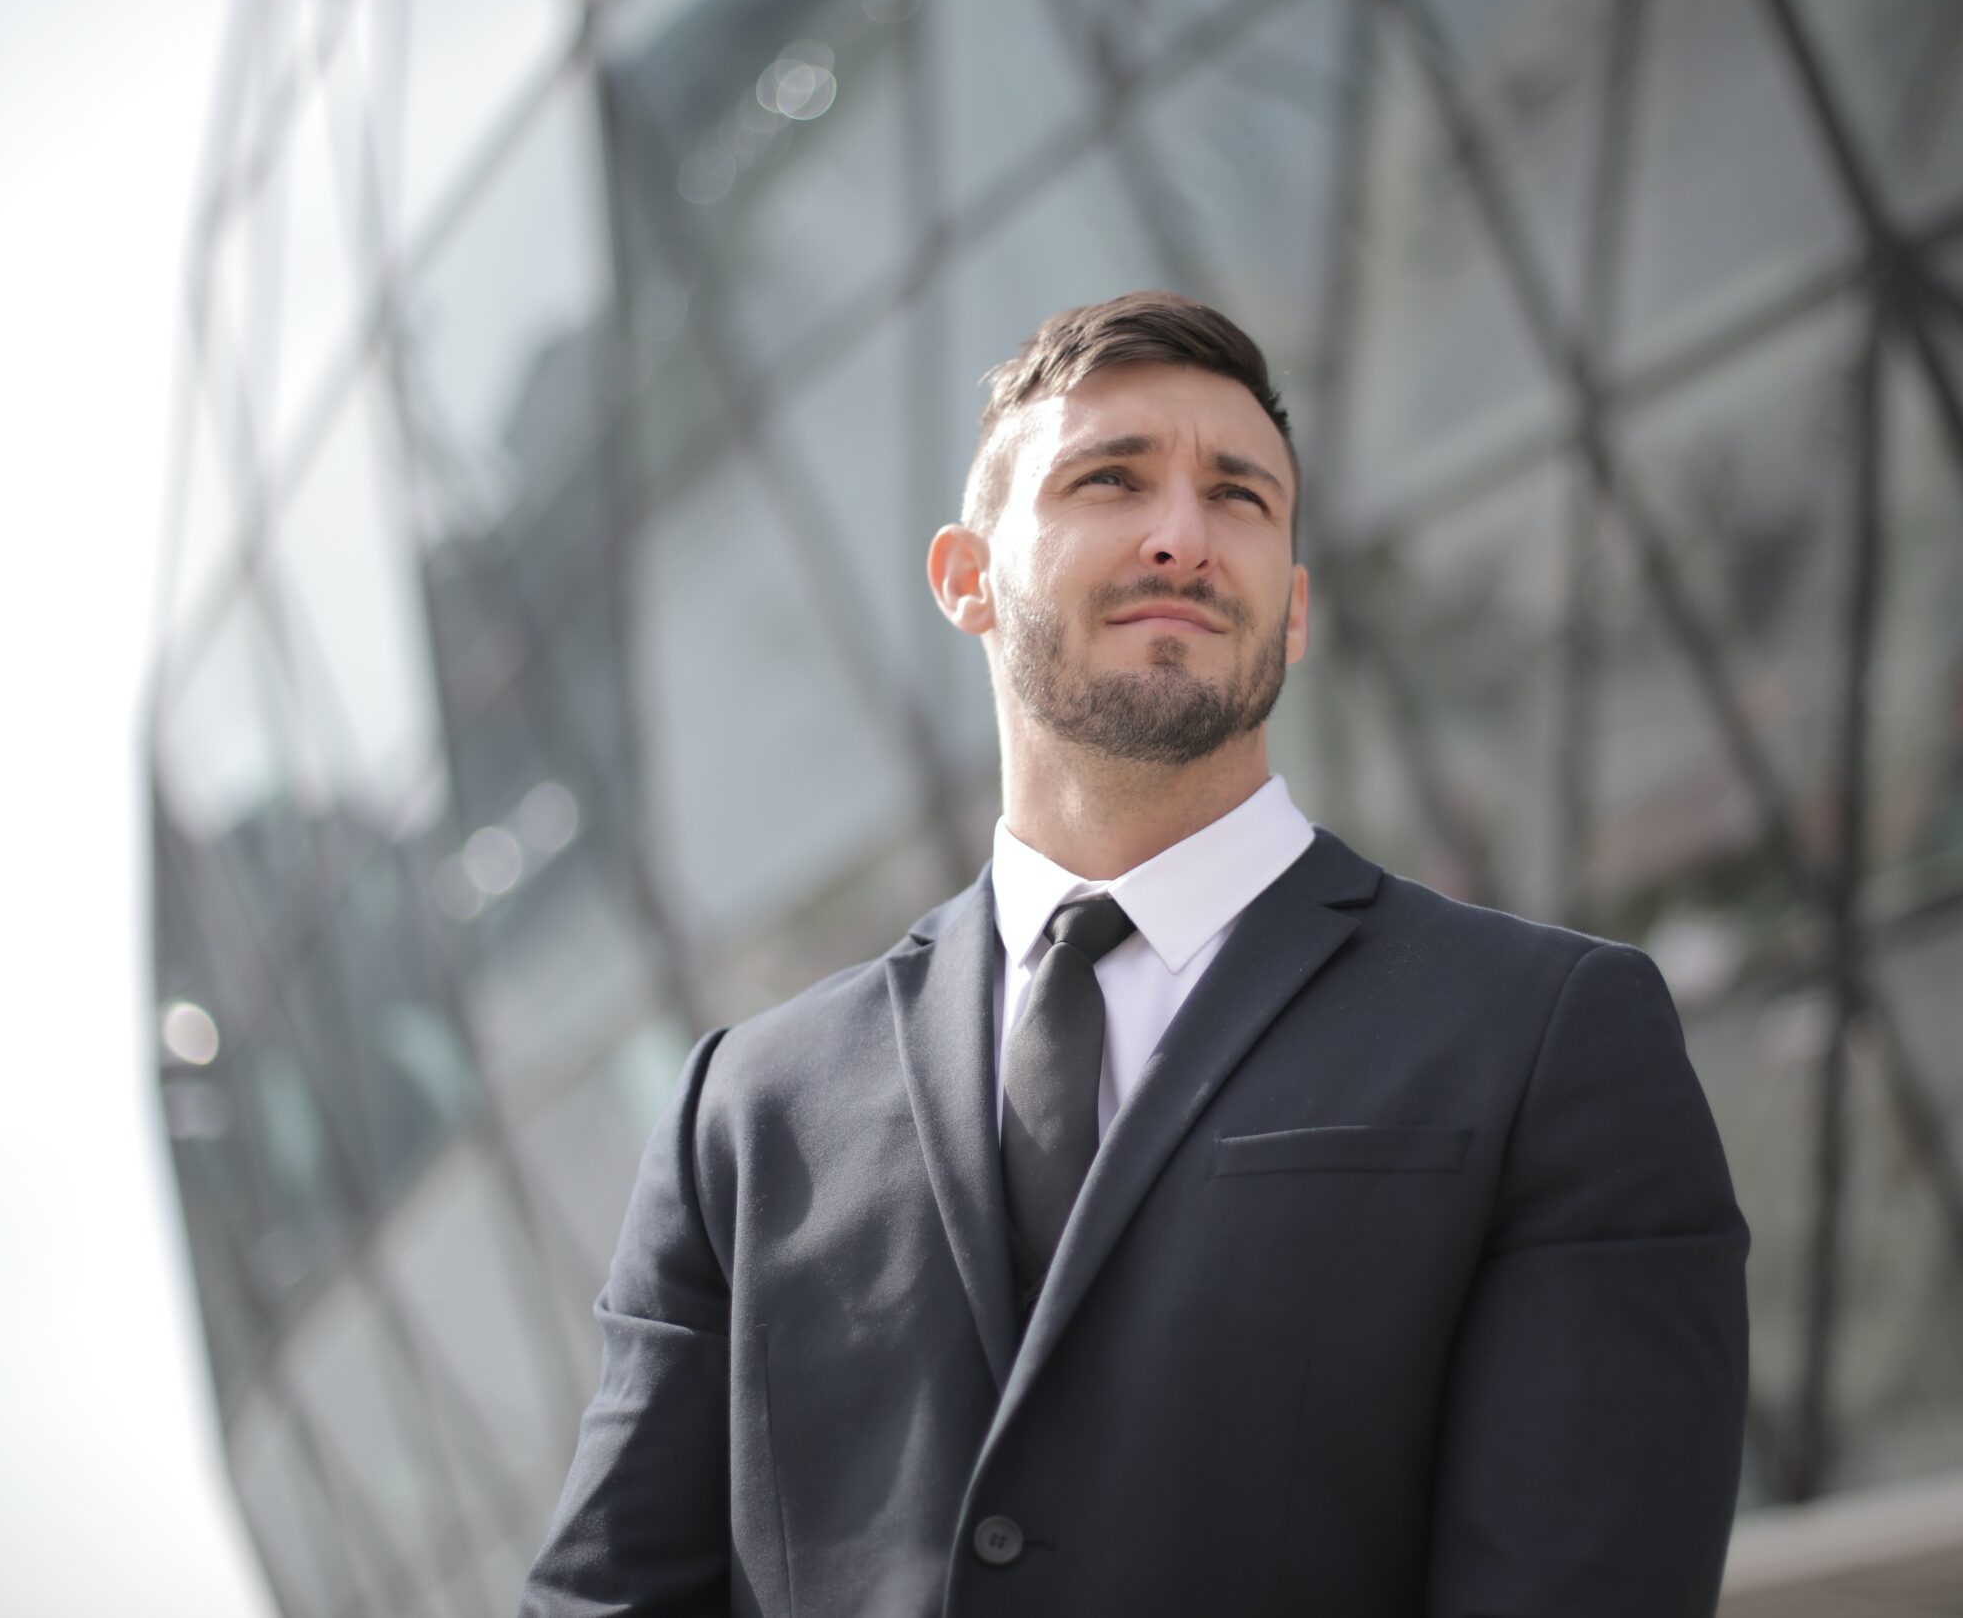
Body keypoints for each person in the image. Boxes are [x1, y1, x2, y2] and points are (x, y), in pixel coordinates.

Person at [519, 291, 1749, 1617]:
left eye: (1240, 499)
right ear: (965, 578)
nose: (1183, 537)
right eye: (1109, 481)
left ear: (1295, 609)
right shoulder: (745, 1118)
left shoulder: (1549, 1038)